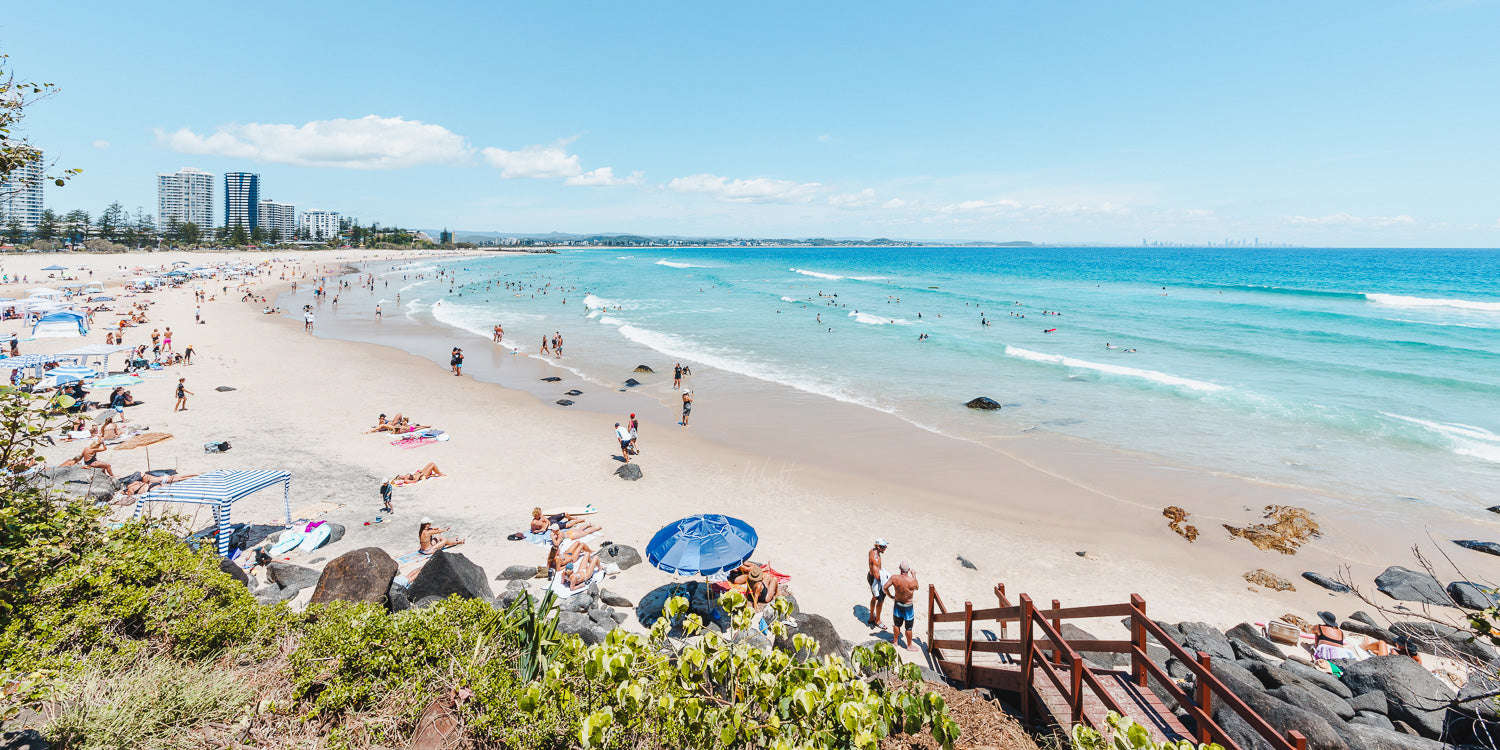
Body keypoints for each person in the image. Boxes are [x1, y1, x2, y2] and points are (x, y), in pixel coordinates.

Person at [884, 561, 920, 650]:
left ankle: (895, 641)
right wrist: (914, 575)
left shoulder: (894, 578)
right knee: (908, 627)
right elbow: (917, 587)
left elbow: (885, 587)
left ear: (899, 568)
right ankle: (909, 646)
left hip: (898, 604)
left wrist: (890, 596)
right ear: (908, 570)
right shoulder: (912, 580)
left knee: (896, 624)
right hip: (908, 606)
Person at [866, 539, 888, 629]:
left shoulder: (872, 550)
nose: (885, 548)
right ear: (878, 547)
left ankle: (871, 617)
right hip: (875, 579)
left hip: (870, 576)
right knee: (880, 600)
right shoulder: (875, 559)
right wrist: (886, 577)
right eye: (883, 547)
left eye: (885, 546)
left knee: (874, 597)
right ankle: (877, 620)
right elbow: (877, 576)